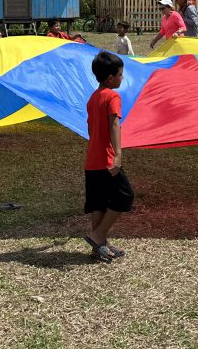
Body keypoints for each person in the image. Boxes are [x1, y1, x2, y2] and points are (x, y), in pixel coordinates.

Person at [83, 51, 133, 263]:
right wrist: (118, 155)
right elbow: (114, 124)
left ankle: (99, 246)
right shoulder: (112, 97)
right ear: (111, 78)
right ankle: (98, 236)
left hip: (92, 159)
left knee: (99, 203)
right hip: (106, 159)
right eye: (120, 75)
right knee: (124, 197)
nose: (122, 78)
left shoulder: (93, 98)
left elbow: (90, 128)